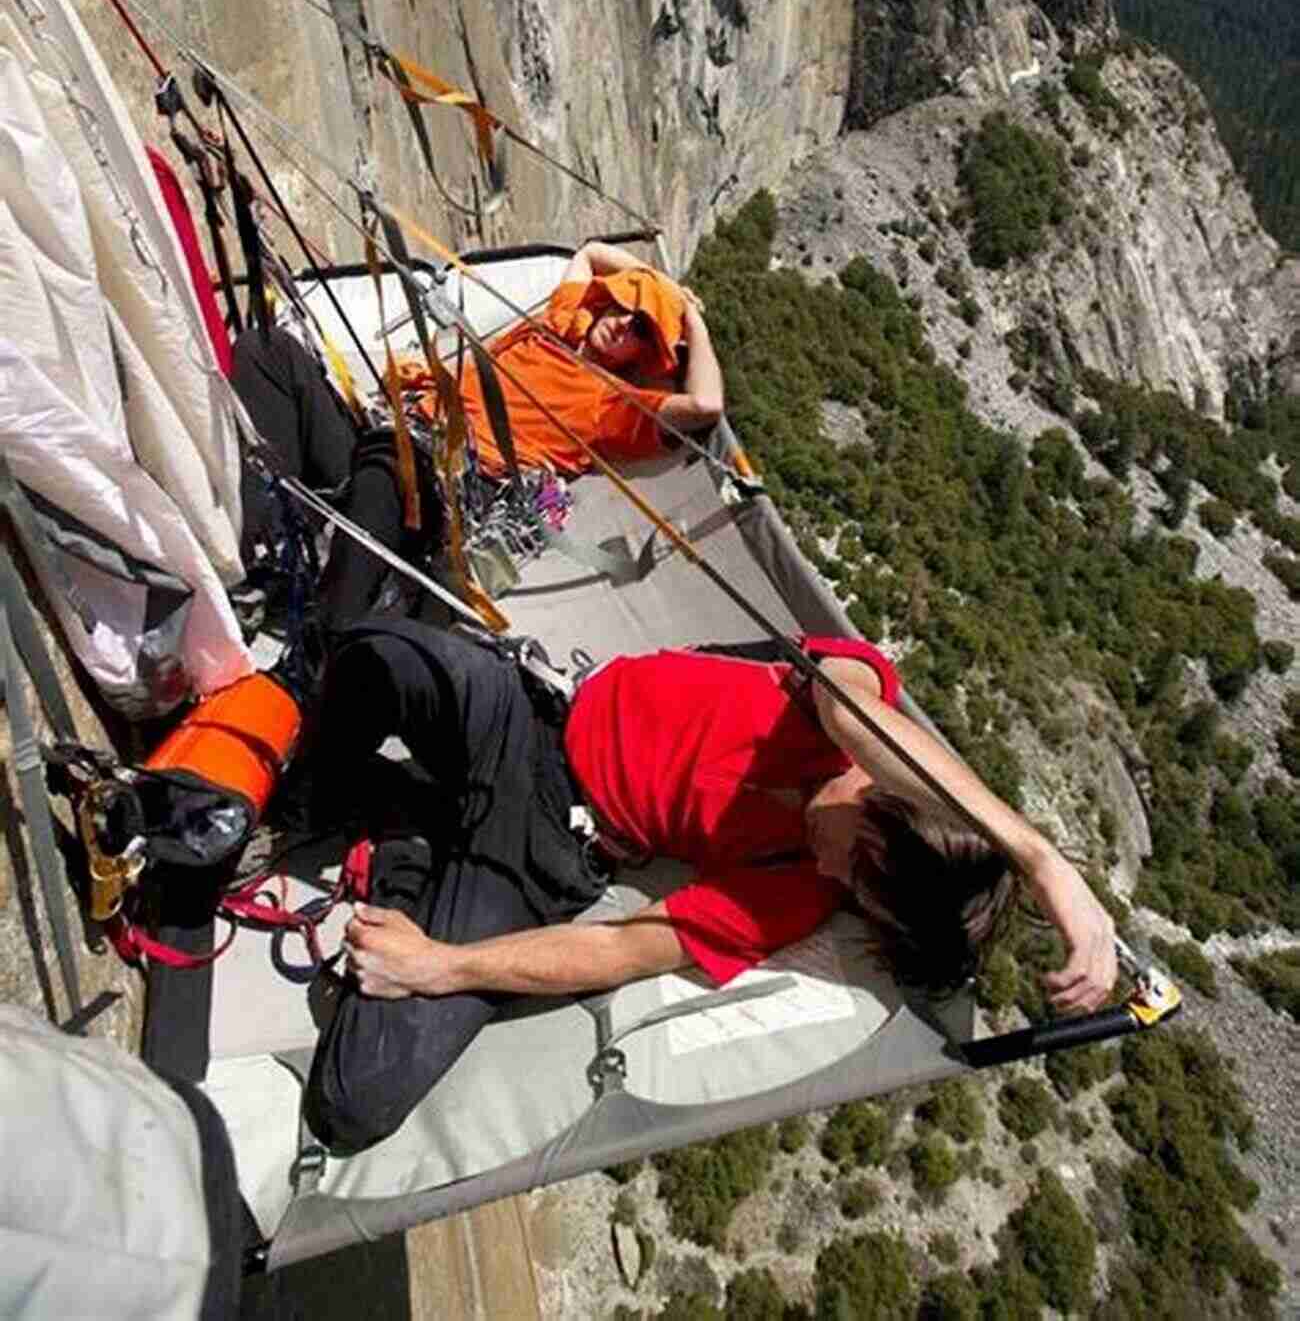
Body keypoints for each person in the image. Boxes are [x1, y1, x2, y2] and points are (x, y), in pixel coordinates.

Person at [302, 623, 1117, 1153]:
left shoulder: (796, 892)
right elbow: (850, 714)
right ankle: (330, 785)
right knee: (381, 660)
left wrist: (442, 965)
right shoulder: (845, 703)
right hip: (531, 719)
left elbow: (623, 948)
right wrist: (1040, 859)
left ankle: (409, 839)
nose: (837, 880)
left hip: (551, 844)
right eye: (859, 870)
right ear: (883, 807)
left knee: (355, 1100)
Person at [232, 242, 724, 633]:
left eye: (639, 328)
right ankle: (270, 554)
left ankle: (326, 635)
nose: (620, 323)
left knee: (389, 465)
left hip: (441, 491)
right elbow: (592, 252)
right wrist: (666, 287)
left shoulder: (615, 404)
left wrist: (690, 317)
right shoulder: (558, 323)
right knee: (269, 350)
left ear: (645, 355)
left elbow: (705, 406)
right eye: (622, 306)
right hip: (393, 435)